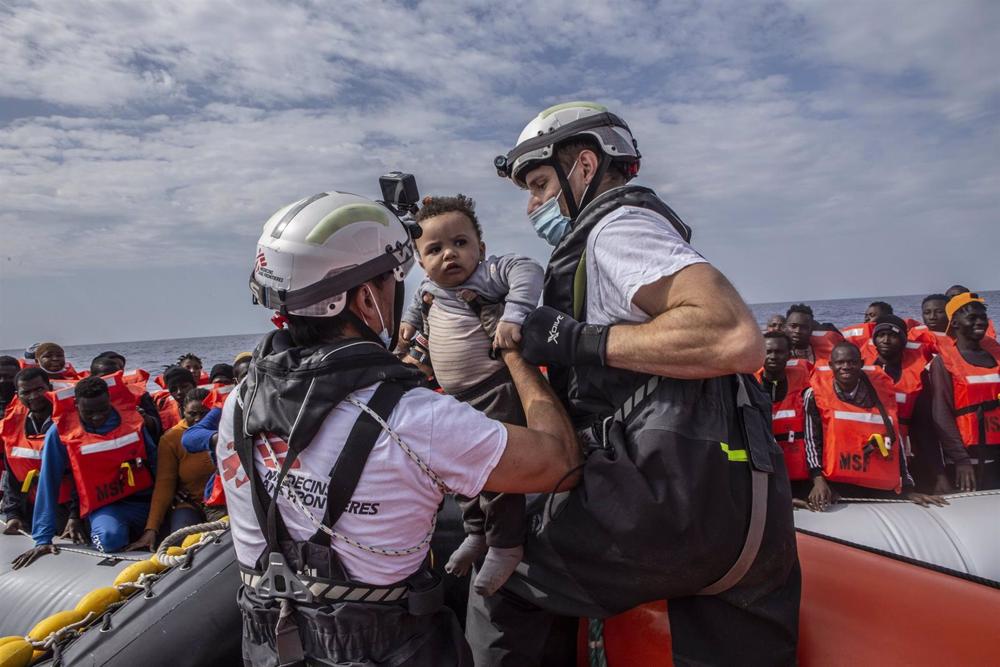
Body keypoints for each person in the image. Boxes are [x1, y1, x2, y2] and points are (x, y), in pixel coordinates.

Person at [494, 102, 799, 666]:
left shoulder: (618, 228)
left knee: (502, 574)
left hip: (670, 503)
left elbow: (733, 336)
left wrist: (574, 341)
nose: (532, 205)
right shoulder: (652, 226)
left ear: (584, 166)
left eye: (538, 185)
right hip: (751, 512)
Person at [224, 190, 580, 666]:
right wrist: (515, 354)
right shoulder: (415, 419)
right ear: (368, 301)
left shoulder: (238, 401)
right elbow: (560, 464)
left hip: (267, 638)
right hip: (387, 645)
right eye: (393, 281)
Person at [396, 193, 544, 597]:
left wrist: (513, 315)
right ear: (420, 261)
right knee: (458, 475)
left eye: (461, 243)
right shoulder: (427, 290)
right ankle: (477, 532)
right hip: (454, 397)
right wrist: (409, 325)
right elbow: (416, 306)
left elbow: (528, 269)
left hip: (494, 389)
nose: (450, 254)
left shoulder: (488, 275)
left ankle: (506, 545)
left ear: (482, 248)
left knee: (497, 478)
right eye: (435, 249)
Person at [11, 374, 158, 567]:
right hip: (106, 506)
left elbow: (157, 464)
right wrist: (43, 539)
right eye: (89, 412)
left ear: (110, 400)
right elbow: (49, 482)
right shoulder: (60, 432)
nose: (97, 417)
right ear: (76, 404)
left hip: (147, 500)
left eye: (102, 410)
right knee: (109, 538)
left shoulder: (132, 419)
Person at [802, 343, 943, 510]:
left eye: (852, 362)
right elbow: (811, 441)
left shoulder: (882, 393)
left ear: (861, 364)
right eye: (840, 363)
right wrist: (817, 480)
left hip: (876, 482)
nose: (846, 367)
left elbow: (895, 439)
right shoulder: (814, 395)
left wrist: (908, 489)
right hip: (836, 484)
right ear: (831, 365)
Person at [926, 293, 1000, 491]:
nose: (980, 322)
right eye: (972, 318)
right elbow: (941, 415)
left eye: (983, 317)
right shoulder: (943, 364)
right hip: (970, 459)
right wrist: (961, 459)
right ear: (955, 323)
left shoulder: (997, 357)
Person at [127, 388, 215, 551]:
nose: (198, 419)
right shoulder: (171, 439)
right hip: (190, 503)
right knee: (180, 543)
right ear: (182, 411)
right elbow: (163, 485)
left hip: (223, 503)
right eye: (192, 414)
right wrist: (151, 529)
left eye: (204, 414)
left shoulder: (225, 431)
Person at [1, 368, 80, 539]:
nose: (33, 396)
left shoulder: (73, 422)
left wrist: (76, 515)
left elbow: (83, 476)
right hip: (30, 505)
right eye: (26, 392)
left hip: (69, 507)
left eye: (39, 389)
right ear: (18, 394)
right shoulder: (11, 426)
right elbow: (11, 475)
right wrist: (13, 514)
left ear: (50, 388)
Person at [861, 316, 928, 459]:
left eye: (892, 336)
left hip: (906, 443)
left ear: (903, 341)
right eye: (880, 335)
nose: (885, 340)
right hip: (868, 441)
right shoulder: (861, 370)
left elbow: (924, 422)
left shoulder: (920, 373)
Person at [755, 332, 812, 497]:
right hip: (764, 470)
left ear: (789, 354)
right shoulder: (746, 386)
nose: (773, 356)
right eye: (768, 351)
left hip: (797, 471)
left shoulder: (807, 384)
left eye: (779, 352)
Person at [90, 353, 163, 442]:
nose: (111, 379)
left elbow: (157, 427)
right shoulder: (83, 399)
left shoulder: (139, 394)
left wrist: (144, 417)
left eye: (121, 369)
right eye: (106, 376)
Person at [152, 366, 196, 432]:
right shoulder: (163, 410)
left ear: (194, 385)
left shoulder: (209, 407)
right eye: (174, 389)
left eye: (184, 386)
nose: (179, 392)